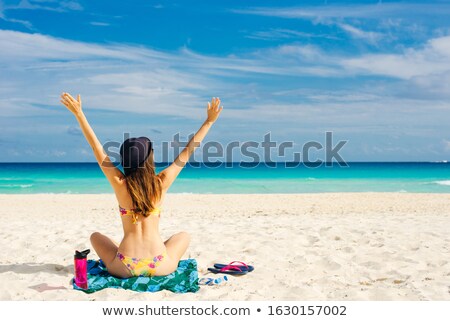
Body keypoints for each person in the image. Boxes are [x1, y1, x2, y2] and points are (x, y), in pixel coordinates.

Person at [60, 92, 223, 278]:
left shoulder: (120, 184)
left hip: (124, 266)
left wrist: (79, 114)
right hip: (160, 265)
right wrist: (209, 121)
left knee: (95, 236)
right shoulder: (160, 183)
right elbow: (186, 153)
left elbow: (97, 149)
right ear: (150, 159)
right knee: (183, 236)